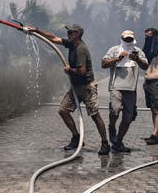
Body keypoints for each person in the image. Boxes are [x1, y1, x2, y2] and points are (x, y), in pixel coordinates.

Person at [28, 24, 111, 155]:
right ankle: (77, 138)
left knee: (95, 116)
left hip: (87, 87)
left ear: (77, 34)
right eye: (68, 33)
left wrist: (69, 70)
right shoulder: (72, 44)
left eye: (71, 33)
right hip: (75, 87)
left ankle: (105, 143)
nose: (68, 35)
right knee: (63, 110)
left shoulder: (80, 49)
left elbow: (82, 71)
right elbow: (53, 38)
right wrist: (36, 30)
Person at [101, 30, 148, 153]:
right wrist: (118, 58)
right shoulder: (114, 50)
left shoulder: (137, 51)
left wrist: (137, 59)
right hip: (116, 86)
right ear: (122, 38)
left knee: (128, 118)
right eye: (126, 39)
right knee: (115, 110)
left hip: (131, 88)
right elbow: (104, 63)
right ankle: (112, 127)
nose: (128, 41)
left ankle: (119, 141)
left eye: (130, 39)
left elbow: (145, 66)